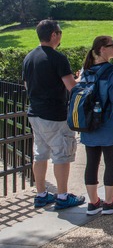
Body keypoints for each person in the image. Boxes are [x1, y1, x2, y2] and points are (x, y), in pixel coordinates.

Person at [22, 19, 86, 210]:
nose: (60, 36)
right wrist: (80, 78)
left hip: (35, 113)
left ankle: (41, 194)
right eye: (60, 33)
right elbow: (71, 87)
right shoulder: (58, 58)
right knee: (62, 155)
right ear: (53, 35)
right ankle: (63, 196)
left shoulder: (29, 57)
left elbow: (27, 86)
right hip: (55, 115)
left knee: (39, 154)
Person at [79, 36, 113, 216]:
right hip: (108, 123)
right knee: (111, 163)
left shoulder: (86, 70)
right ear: (103, 49)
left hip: (88, 123)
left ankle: (93, 202)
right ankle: (109, 202)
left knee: (91, 163)